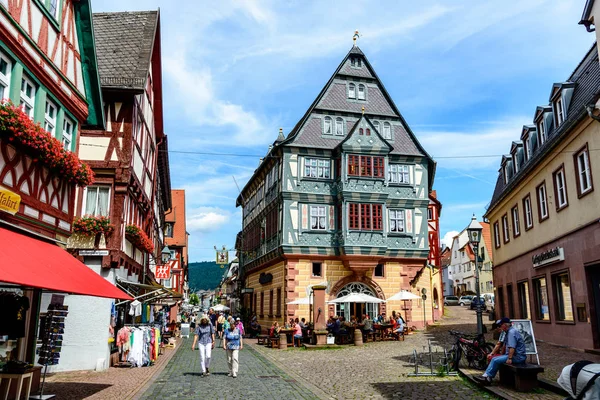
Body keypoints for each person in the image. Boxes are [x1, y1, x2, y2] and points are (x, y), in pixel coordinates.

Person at [475, 317, 527, 385]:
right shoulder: (509, 332)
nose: (499, 327)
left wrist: (509, 358)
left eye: (500, 325)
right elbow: (504, 345)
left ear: (504, 325)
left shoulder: (511, 333)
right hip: (515, 355)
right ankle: (486, 376)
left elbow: (512, 347)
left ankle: (487, 377)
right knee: (495, 359)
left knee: (495, 360)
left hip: (518, 357)